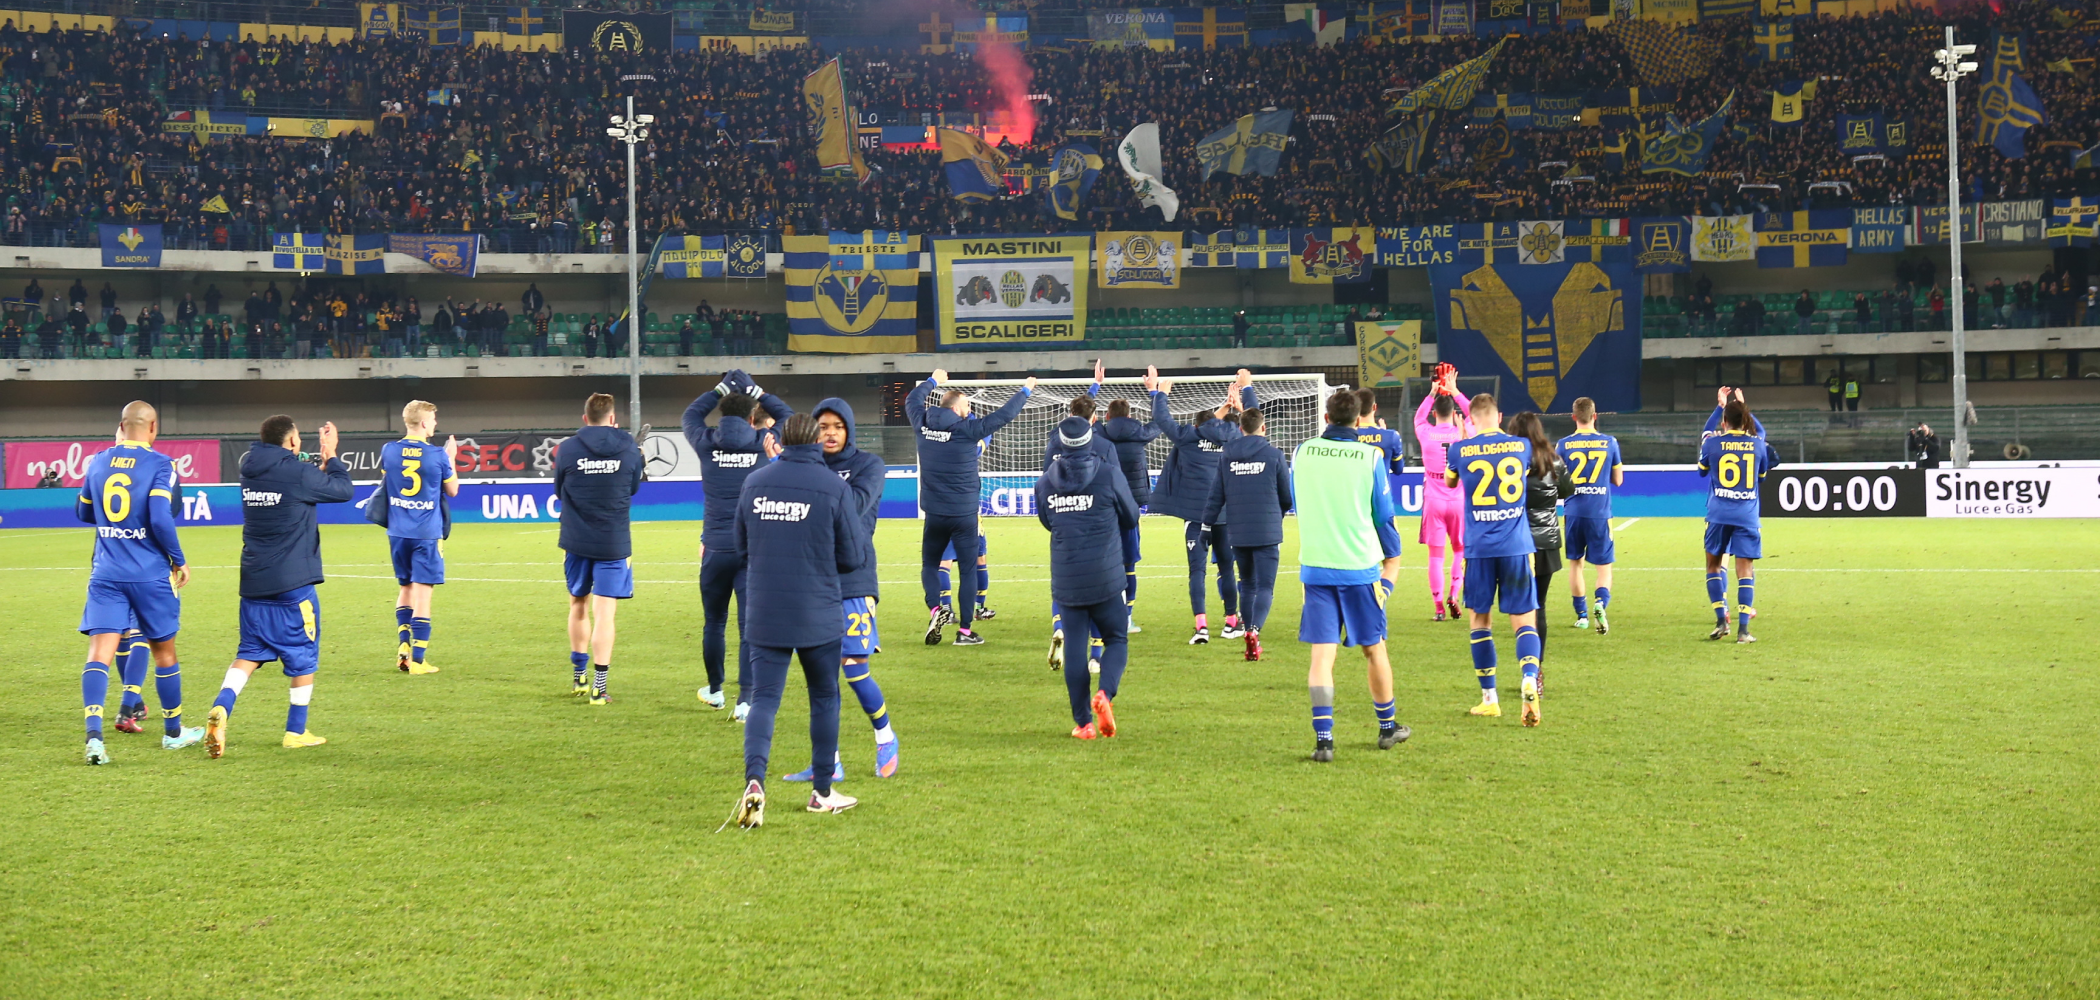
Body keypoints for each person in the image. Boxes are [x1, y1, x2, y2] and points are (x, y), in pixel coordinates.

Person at [725, 414, 866, 828]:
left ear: (783, 440)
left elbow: (740, 545)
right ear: (816, 442)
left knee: (764, 700)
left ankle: (755, 782)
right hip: (816, 610)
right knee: (824, 697)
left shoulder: (755, 482)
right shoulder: (834, 487)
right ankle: (822, 792)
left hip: (765, 607)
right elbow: (853, 556)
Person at [204, 413, 353, 758]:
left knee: (249, 652)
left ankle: (221, 708)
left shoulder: (249, 469)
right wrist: (330, 454)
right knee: (304, 655)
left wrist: (310, 458)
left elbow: (285, 469)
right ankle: (295, 731)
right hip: (293, 582)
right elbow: (342, 490)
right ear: (291, 441)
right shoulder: (299, 473)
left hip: (254, 579)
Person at [73, 402, 204, 764]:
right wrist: (178, 559)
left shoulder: (97, 461)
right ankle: (174, 733)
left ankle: (94, 741)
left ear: (121, 425)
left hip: (106, 573)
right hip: (149, 574)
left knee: (99, 653)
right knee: (164, 651)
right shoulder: (162, 464)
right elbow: (161, 516)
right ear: (154, 428)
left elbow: (83, 511)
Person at [786, 396, 901, 781]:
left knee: (854, 669)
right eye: (822, 426)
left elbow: (851, 505)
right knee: (820, 676)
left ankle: (885, 736)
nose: (829, 433)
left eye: (837, 426)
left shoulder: (869, 465)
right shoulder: (808, 466)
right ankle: (828, 762)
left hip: (853, 580)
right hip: (813, 581)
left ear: (849, 428)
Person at [1294, 388, 1408, 761]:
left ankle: (1324, 741)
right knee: (1374, 649)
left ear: (1326, 418)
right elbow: (1383, 514)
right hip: (1359, 567)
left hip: (1317, 564)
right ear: (1359, 420)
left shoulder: (1303, 451)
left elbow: (1299, 501)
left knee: (1321, 657)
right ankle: (1387, 728)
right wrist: (1391, 558)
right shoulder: (1371, 456)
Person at [683, 370, 791, 714]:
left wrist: (718, 389)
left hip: (714, 547)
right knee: (749, 627)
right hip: (752, 549)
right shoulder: (761, 441)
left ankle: (715, 690)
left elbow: (689, 415)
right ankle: (746, 700)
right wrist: (757, 389)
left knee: (714, 622)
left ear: (721, 414)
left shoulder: (705, 441)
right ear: (751, 416)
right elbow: (788, 416)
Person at [905, 369, 1034, 646]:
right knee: (968, 571)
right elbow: (1003, 416)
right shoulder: (967, 430)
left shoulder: (922, 423)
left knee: (930, 564)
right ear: (954, 407)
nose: (970, 408)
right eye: (966, 404)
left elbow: (912, 399)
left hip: (934, 512)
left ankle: (936, 610)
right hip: (963, 514)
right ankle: (964, 632)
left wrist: (932, 381)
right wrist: (1025, 391)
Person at [1036, 415, 1140, 740]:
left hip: (1068, 579)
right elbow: (1132, 515)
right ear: (1090, 441)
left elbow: (1047, 521)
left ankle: (1083, 724)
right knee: (1117, 638)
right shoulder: (1109, 475)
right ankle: (1105, 694)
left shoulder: (1045, 482)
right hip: (1107, 575)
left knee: (1076, 651)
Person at [1446, 393, 1543, 727]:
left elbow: (1450, 481)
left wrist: (1463, 440)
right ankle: (1530, 676)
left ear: (1471, 419)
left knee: (1480, 623)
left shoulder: (1460, 449)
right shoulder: (1521, 446)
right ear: (1499, 416)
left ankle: (1490, 699)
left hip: (1479, 550)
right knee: (1524, 621)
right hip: (1517, 546)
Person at [1147, 365, 1255, 645]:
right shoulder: (1234, 439)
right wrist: (1240, 401)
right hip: (1225, 516)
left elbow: (1162, 418)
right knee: (1227, 569)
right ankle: (1232, 622)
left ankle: (1201, 627)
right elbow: (1253, 424)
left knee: (1197, 571)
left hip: (1196, 516)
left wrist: (1158, 392)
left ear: (1198, 424)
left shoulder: (1188, 437)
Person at [556, 393, 644, 703]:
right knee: (605, 615)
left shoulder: (567, 449)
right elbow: (633, 487)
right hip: (614, 542)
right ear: (612, 418)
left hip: (576, 540)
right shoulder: (629, 447)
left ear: (585, 418)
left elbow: (559, 489)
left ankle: (579, 677)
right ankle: (600, 687)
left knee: (578, 606)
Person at [1203, 406, 1294, 661]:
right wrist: (1278, 514)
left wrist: (1206, 525)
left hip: (1238, 530)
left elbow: (1216, 495)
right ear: (1263, 428)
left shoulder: (1226, 455)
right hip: (1267, 529)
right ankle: (1254, 631)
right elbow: (1286, 497)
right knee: (1265, 585)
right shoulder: (1275, 455)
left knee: (1248, 583)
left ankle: (1246, 627)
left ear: (1240, 429)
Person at [378, 401, 459, 675]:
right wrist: (451, 459)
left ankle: (403, 644)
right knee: (423, 594)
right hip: (426, 533)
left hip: (398, 532)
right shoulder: (437, 455)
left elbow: (389, 478)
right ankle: (419, 660)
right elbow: (453, 489)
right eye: (433, 419)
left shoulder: (388, 450)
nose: (435, 424)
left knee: (405, 588)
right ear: (424, 423)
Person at [1698, 398, 1780, 643]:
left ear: (1723, 422)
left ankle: (1721, 621)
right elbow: (1762, 477)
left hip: (1718, 514)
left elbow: (1702, 471)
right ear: (1745, 420)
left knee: (1714, 565)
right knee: (1745, 571)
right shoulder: (1757, 445)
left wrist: (1720, 406)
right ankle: (1743, 631)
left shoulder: (1712, 444)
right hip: (1746, 515)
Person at [1512, 412, 1573, 691]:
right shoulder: (1554, 461)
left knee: (1521, 607)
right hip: (1546, 543)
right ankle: (1536, 673)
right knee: (1540, 606)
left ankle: (1527, 667)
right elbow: (1567, 490)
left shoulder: (1510, 462)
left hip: (1516, 542)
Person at [1556, 397, 1622, 634]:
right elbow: (1618, 480)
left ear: (1573, 417)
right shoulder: (1610, 442)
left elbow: (1557, 481)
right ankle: (1600, 603)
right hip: (1599, 513)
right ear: (1595, 416)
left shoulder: (1563, 444)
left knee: (1576, 564)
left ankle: (1582, 616)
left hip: (1573, 512)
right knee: (1604, 567)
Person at [1099, 386, 1164, 629]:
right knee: (1129, 564)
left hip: (1105, 505)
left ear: (1107, 416)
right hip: (1132, 507)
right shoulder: (1140, 432)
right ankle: (1126, 617)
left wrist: (1095, 387)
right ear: (1129, 415)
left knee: (1105, 561)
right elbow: (1161, 419)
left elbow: (1083, 417)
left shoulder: (1100, 433)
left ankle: (1103, 615)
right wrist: (1155, 393)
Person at [1414, 363, 1474, 620]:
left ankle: (1439, 609)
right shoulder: (1464, 433)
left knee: (1435, 557)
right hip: (1459, 498)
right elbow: (1474, 414)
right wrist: (1455, 390)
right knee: (1460, 550)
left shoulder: (1425, 432)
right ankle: (1454, 593)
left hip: (1434, 501)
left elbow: (1418, 418)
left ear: (1435, 413)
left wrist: (1432, 392)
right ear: (1452, 411)